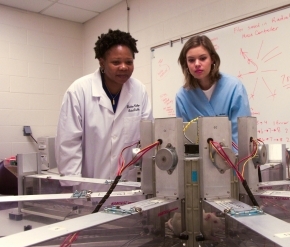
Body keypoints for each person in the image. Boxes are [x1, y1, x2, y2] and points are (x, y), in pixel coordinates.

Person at [55, 29, 153, 190]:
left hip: (127, 186)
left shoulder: (138, 90)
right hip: (89, 186)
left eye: (129, 62)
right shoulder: (79, 91)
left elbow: (148, 135)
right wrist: (71, 185)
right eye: (116, 62)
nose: (123, 67)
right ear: (102, 62)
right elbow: (68, 142)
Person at [176, 35, 251, 148]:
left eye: (202, 58)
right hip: (198, 163)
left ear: (212, 59)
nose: (197, 64)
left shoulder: (234, 88)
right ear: (185, 64)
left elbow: (241, 135)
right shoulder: (182, 96)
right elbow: (186, 140)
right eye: (191, 60)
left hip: (232, 160)